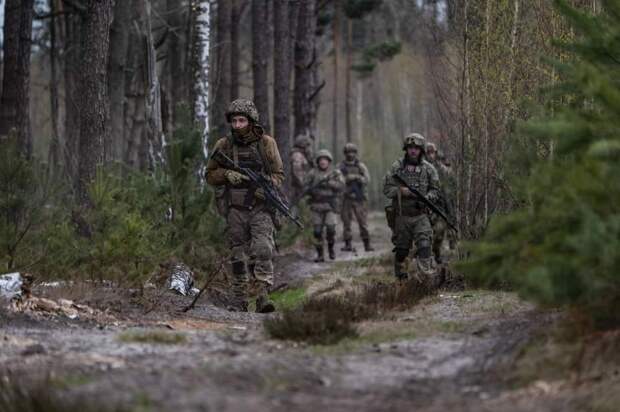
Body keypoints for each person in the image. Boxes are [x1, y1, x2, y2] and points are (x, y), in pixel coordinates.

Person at [206, 99, 283, 313]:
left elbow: (278, 175)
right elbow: (210, 174)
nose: (238, 125)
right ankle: (239, 299)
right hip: (236, 208)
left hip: (261, 208)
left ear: (251, 121)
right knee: (238, 254)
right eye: (234, 121)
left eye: (242, 120)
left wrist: (266, 185)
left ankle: (262, 296)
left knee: (263, 249)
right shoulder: (224, 145)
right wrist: (227, 174)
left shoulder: (266, 143)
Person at [383, 133, 440, 280]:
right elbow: (387, 189)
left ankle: (426, 277)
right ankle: (401, 279)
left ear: (421, 150)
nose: (413, 151)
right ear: (406, 149)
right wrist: (401, 191)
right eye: (410, 148)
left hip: (421, 215)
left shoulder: (429, 169)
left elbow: (436, 190)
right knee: (402, 250)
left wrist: (427, 198)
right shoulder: (397, 167)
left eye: (416, 148)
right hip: (402, 215)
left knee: (425, 244)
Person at [303, 149, 345, 262]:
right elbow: (305, 187)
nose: (323, 162)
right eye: (321, 160)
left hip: (330, 205)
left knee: (331, 229)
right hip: (316, 205)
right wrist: (311, 190)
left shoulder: (335, 172)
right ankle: (320, 254)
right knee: (317, 231)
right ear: (318, 161)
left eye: (325, 160)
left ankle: (331, 249)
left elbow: (341, 186)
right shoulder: (312, 173)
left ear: (328, 161)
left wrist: (330, 183)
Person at [338, 143, 374, 252]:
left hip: (359, 198)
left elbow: (367, 179)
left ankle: (367, 244)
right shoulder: (341, 166)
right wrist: (345, 179)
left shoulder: (360, 166)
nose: (350, 154)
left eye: (352, 152)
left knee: (363, 222)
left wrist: (356, 177)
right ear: (345, 153)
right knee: (346, 222)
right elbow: (337, 180)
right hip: (346, 197)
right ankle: (348, 244)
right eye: (348, 152)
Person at [290, 135, 314, 202]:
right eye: (307, 145)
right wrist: (304, 186)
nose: (309, 148)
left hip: (302, 187)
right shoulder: (297, 156)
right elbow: (297, 172)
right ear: (303, 146)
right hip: (299, 189)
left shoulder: (303, 155)